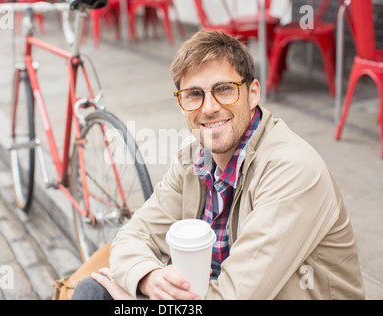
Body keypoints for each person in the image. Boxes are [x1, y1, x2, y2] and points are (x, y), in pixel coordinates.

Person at [71, 30, 365, 300]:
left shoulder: (292, 171)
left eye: (224, 89)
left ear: (252, 93)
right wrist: (148, 277)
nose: (209, 108)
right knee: (92, 292)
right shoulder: (193, 161)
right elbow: (132, 236)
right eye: (194, 94)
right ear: (182, 104)